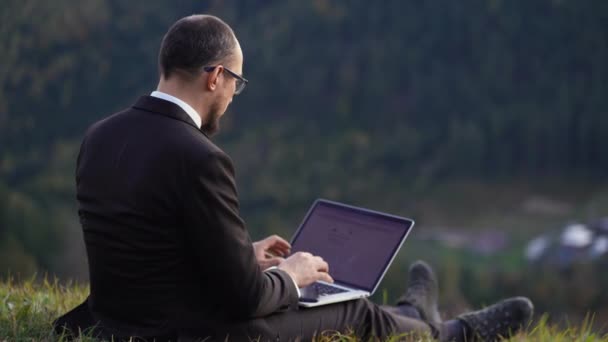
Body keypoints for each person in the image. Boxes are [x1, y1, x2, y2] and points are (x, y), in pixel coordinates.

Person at [54, 14, 533, 341]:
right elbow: (243, 299)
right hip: (190, 333)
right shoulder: (200, 157)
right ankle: (450, 333)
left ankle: (414, 313)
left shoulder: (100, 136)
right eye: (237, 83)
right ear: (215, 77)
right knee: (351, 308)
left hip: (118, 322)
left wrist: (244, 256)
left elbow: (149, 246)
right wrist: (293, 273)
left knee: (307, 291)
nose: (235, 95)